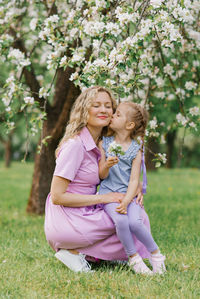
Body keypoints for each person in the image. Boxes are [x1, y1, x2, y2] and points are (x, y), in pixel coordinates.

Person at [44, 86, 151, 273]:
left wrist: (136, 186)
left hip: (86, 210)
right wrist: (105, 198)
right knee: (132, 218)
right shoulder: (75, 145)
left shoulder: (103, 143)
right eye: (96, 105)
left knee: (134, 213)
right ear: (84, 110)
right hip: (67, 217)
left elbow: (119, 173)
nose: (103, 110)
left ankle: (86, 254)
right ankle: (73, 250)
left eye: (108, 106)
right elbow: (57, 196)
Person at [98, 101, 166, 275]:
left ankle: (156, 255)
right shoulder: (104, 143)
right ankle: (133, 258)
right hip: (109, 194)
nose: (112, 115)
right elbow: (101, 175)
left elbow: (134, 179)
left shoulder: (136, 148)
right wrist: (106, 165)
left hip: (128, 195)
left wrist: (127, 200)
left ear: (129, 125)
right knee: (121, 221)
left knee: (135, 222)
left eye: (118, 114)